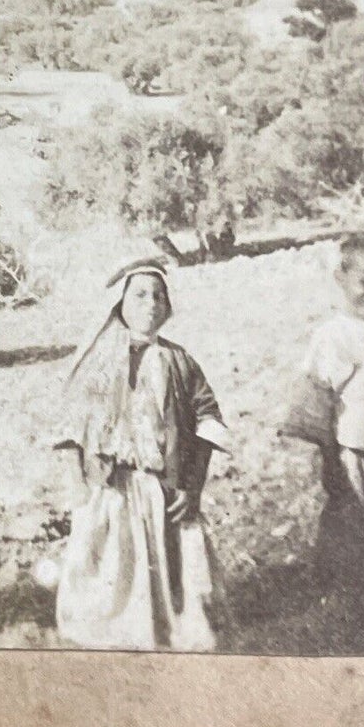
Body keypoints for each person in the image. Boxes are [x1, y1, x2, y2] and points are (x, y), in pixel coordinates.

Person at [53, 259, 230, 651]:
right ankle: (111, 635)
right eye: (140, 295)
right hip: (110, 489)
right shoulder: (97, 362)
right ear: (120, 303)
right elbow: (69, 427)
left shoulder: (180, 362)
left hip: (161, 490)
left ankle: (164, 630)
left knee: (167, 572)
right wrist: (77, 485)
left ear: (168, 306)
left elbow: (209, 422)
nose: (150, 303)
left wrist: (193, 485)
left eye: (158, 295)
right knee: (110, 568)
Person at [281, 231, 364, 650]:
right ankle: (349, 613)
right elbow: (316, 404)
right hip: (353, 455)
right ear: (341, 278)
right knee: (353, 533)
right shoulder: (332, 336)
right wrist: (329, 459)